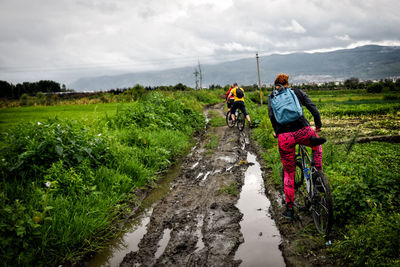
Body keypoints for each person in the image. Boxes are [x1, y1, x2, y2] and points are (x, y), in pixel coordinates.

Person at [267, 74, 322, 220]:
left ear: (276, 85)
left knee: (289, 173)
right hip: (304, 132)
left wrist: (277, 132)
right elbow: (312, 108)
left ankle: (290, 210)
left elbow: (272, 116)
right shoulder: (297, 92)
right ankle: (318, 178)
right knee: (316, 145)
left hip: (285, 138)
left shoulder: (272, 97)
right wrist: (318, 125)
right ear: (287, 83)